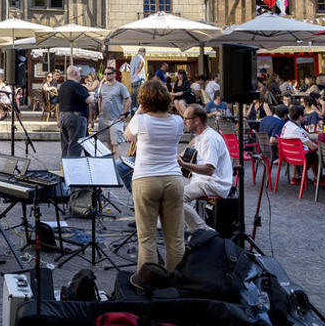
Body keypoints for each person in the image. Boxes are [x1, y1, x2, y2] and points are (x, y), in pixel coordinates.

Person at [125, 80, 185, 279]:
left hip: (146, 178)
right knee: (175, 237)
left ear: (144, 100)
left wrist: (138, 111)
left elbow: (127, 136)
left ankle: (149, 282)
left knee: (147, 237)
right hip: (173, 179)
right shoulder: (177, 121)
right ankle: (177, 281)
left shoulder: (141, 121)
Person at [178, 104, 233, 231]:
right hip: (202, 180)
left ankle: (203, 232)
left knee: (175, 198)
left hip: (213, 183)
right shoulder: (201, 135)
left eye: (186, 118)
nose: (184, 122)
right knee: (168, 187)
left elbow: (209, 170)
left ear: (196, 120)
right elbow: (191, 147)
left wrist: (184, 165)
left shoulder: (209, 139)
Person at [58, 66, 96, 158]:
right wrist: (93, 96)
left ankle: (65, 168)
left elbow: (58, 103)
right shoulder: (76, 86)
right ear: (75, 74)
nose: (81, 75)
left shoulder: (63, 86)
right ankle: (72, 169)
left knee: (66, 146)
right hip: (75, 118)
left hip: (63, 116)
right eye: (79, 73)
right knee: (75, 146)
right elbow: (89, 100)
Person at [97, 67, 131, 157]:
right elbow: (99, 98)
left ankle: (117, 164)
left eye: (109, 73)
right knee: (108, 142)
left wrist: (124, 113)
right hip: (104, 119)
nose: (106, 75)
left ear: (114, 74)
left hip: (115, 119)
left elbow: (128, 99)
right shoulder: (103, 86)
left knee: (115, 143)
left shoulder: (120, 86)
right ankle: (111, 163)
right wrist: (99, 111)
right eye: (105, 73)